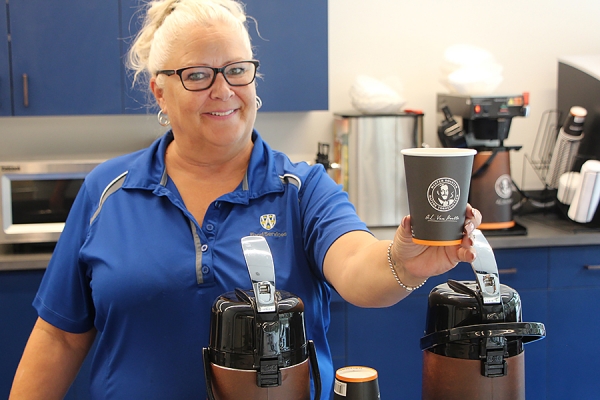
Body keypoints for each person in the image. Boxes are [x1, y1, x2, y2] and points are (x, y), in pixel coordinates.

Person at [9, 0, 482, 399]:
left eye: (237, 70)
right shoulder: (107, 191)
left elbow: (359, 268)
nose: (224, 90)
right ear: (160, 91)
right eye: (197, 74)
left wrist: (403, 259)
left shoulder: (301, 189)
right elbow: (58, 337)